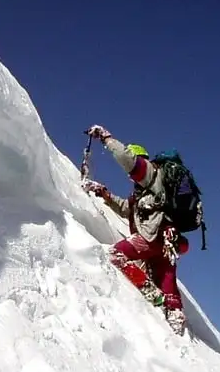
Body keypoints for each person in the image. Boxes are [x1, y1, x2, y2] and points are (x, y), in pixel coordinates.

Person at [81, 125, 189, 335]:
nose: (131, 176)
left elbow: (126, 158)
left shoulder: (150, 174)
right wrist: (103, 193)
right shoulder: (146, 192)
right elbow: (126, 209)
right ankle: (176, 321)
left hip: (151, 239)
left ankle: (150, 292)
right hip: (169, 243)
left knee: (115, 253)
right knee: (168, 282)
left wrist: (106, 137)